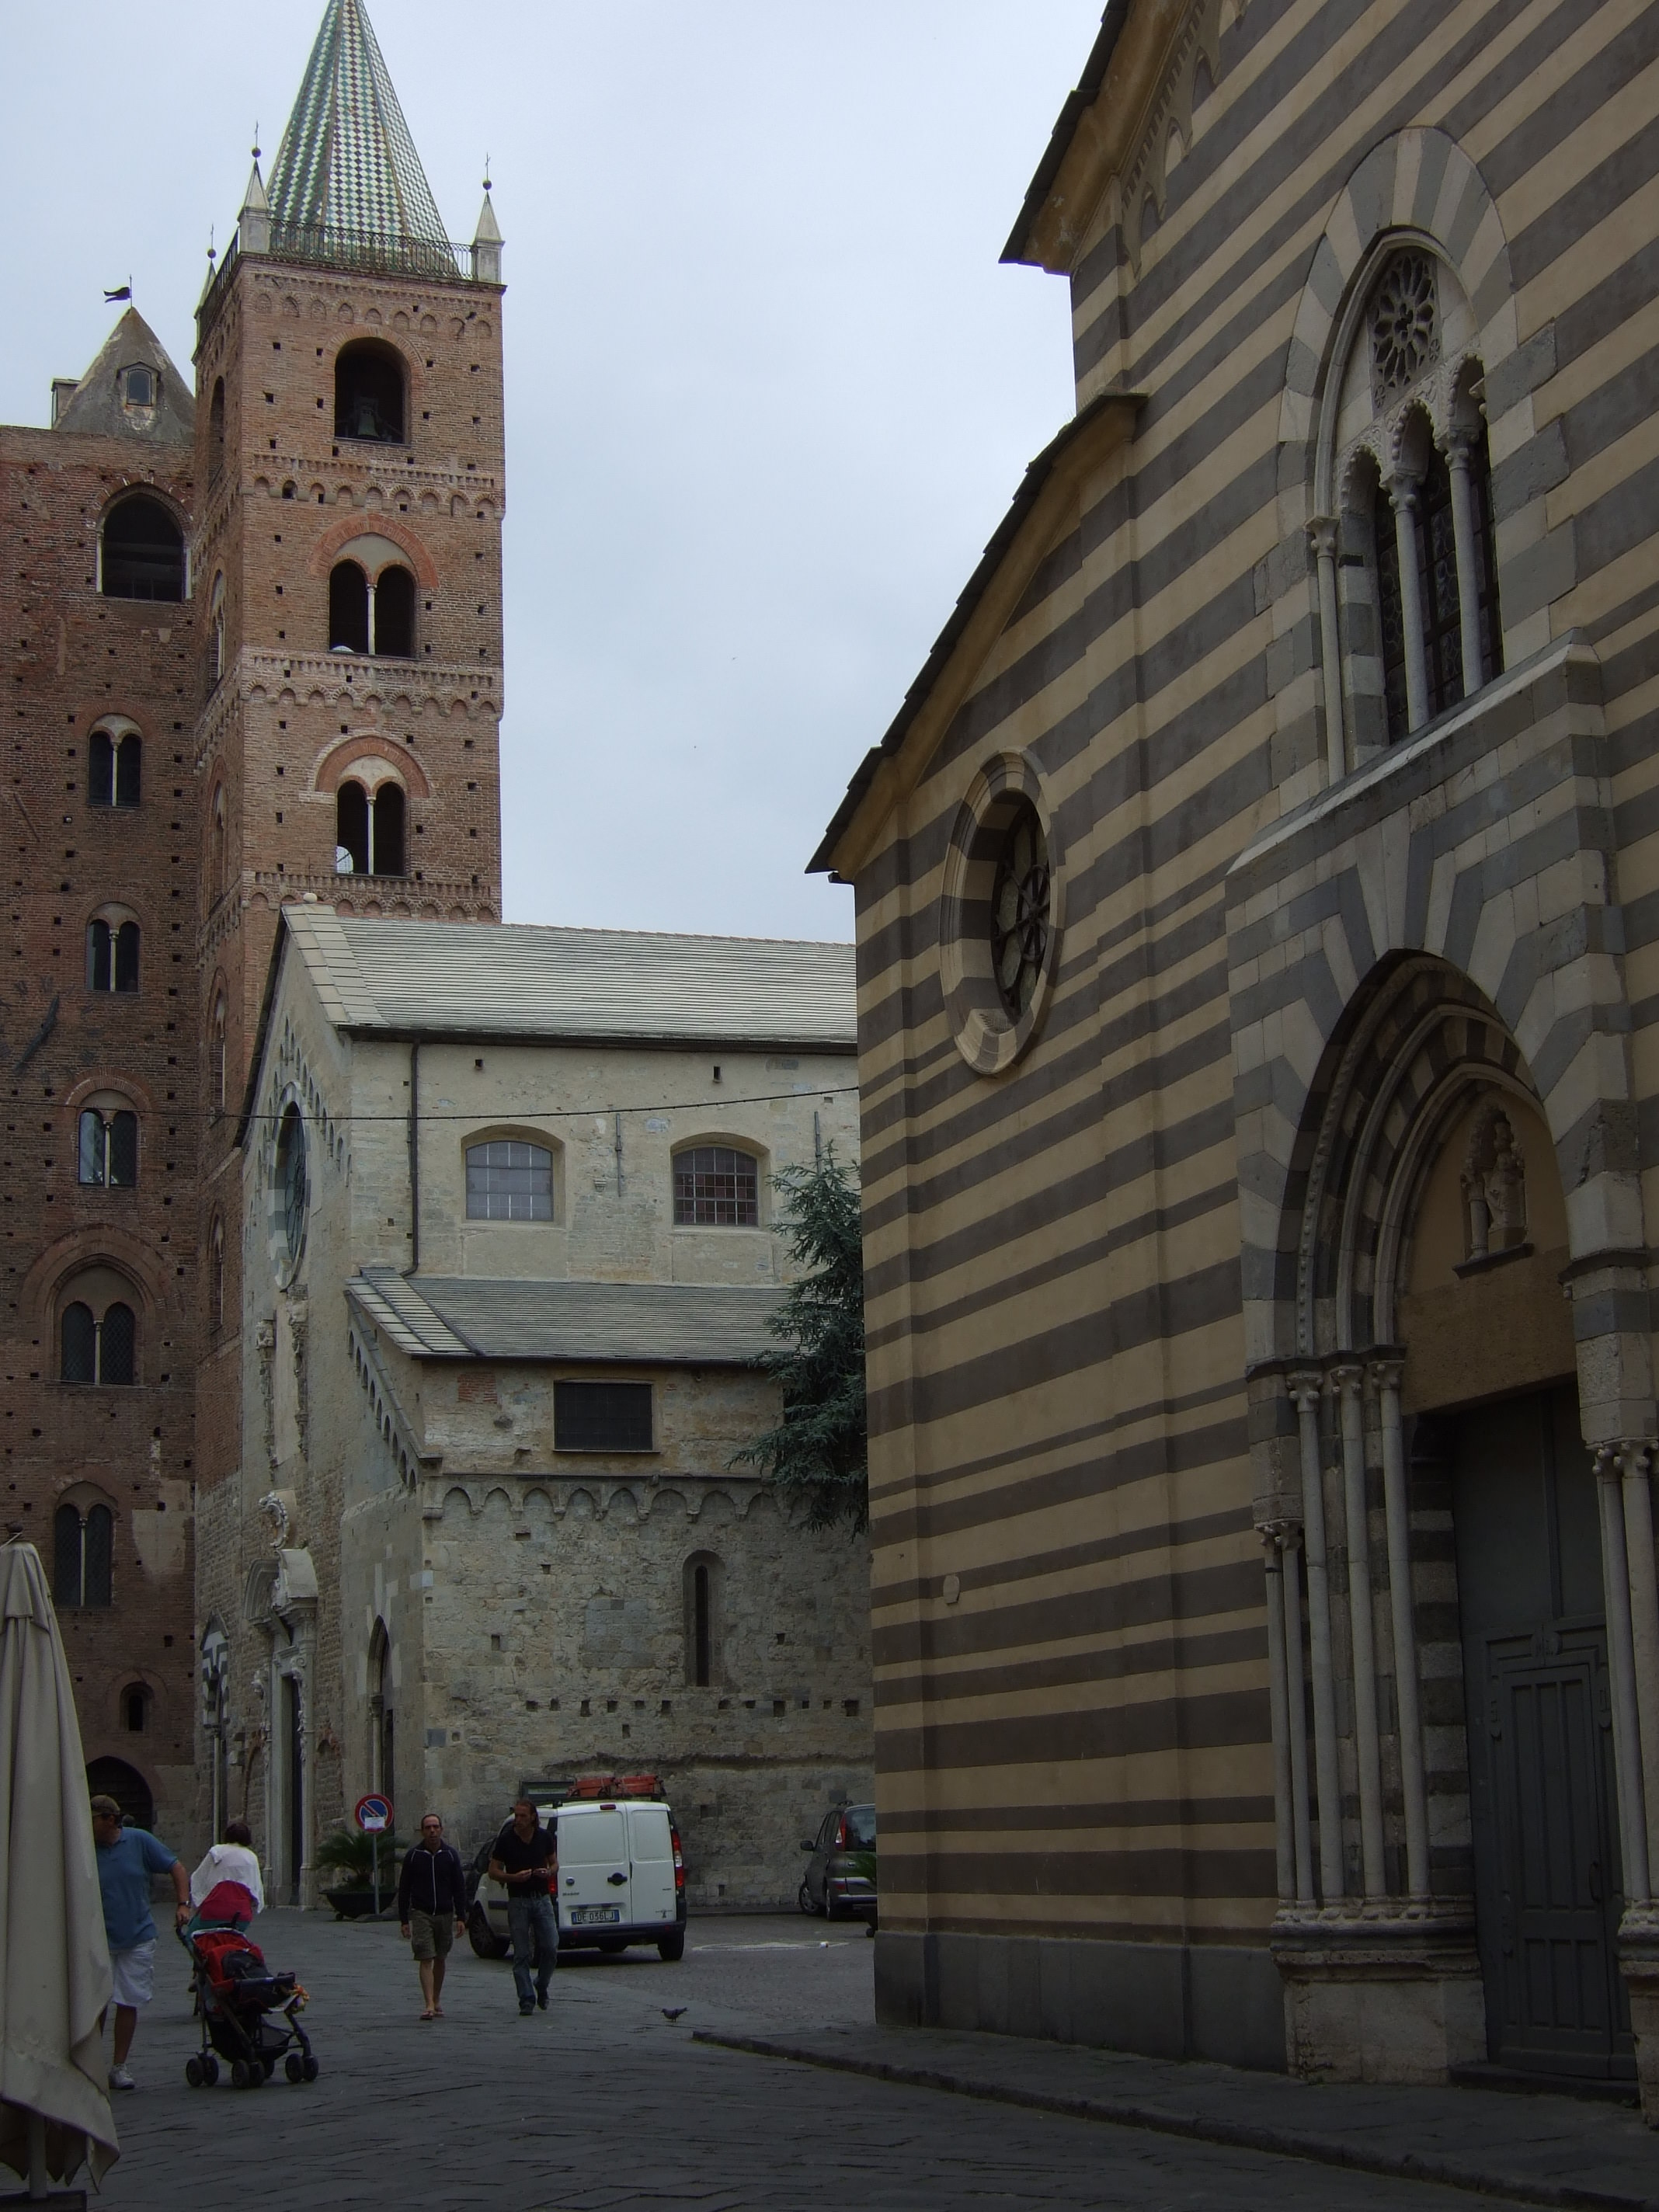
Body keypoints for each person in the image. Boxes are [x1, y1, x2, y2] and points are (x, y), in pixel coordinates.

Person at [90, 1794, 190, 2092]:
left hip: (137, 1935)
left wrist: (183, 1904)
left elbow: (176, 1867)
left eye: (93, 1819)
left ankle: (119, 2066)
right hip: (97, 1937)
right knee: (95, 2002)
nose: (87, 1825)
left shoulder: (139, 1840)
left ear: (109, 1819)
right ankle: (90, 2065)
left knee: (128, 2000)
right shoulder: (84, 1847)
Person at [488, 1798, 558, 2015]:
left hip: (542, 1898)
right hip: (518, 1900)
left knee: (551, 1946)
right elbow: (493, 1871)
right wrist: (513, 1877)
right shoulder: (506, 1840)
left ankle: (542, 1984)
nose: (518, 1820)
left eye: (522, 1816)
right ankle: (526, 1998)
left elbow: (554, 1863)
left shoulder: (544, 1837)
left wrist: (549, 1872)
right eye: (516, 1815)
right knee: (521, 1952)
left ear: (533, 1817)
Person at [396, 1812, 468, 2020]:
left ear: (441, 1830)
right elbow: (404, 1888)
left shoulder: (450, 1855)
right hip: (422, 1913)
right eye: (428, 1828)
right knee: (425, 1957)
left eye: (435, 1827)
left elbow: (459, 1887)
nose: (432, 1831)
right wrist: (404, 1920)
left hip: (445, 1913)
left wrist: (461, 1917)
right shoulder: (414, 1856)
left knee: (440, 1957)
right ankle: (428, 2004)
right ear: (422, 1831)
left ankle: (436, 1999)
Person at [188, 1818, 265, 1927]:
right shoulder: (251, 1857)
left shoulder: (217, 1852)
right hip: (241, 1916)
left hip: (213, 1913)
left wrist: (193, 1908)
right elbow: (255, 1886)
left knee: (194, 1933)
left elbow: (199, 1878)